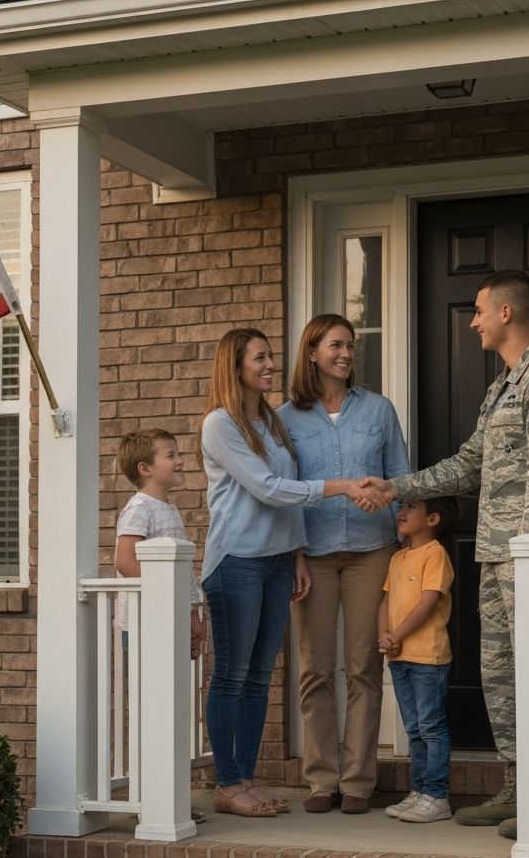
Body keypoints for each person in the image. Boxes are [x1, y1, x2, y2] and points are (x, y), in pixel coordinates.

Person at [359, 270, 529, 839]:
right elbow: (468, 465)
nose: (473, 321)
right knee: (502, 674)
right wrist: (398, 488)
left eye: (480, 310)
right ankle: (517, 787)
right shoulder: (500, 388)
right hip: (494, 553)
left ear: (506, 313)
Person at [197, 328, 367, 818]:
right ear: (236, 367)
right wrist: (338, 487)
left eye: (272, 356)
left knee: (258, 679)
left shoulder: (269, 419)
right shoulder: (220, 424)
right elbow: (268, 488)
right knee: (231, 674)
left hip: (275, 562)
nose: (271, 364)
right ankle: (228, 783)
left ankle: (244, 779)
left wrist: (296, 553)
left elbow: (285, 489)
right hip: (237, 562)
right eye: (260, 357)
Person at [278, 314, 411, 815]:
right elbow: (286, 493)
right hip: (311, 554)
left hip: (370, 551)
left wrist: (394, 519)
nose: (346, 353)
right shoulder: (286, 419)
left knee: (363, 667)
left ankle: (357, 781)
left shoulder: (378, 410)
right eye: (336, 345)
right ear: (311, 352)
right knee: (314, 669)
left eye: (351, 346)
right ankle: (321, 779)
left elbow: (399, 476)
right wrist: (294, 556)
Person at [379, 496, 460, 824]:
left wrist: (397, 635)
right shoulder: (398, 558)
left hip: (428, 656)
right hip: (399, 657)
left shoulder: (435, 554)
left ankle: (437, 796)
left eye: (412, 507)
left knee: (431, 726)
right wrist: (383, 634)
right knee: (413, 728)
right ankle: (419, 790)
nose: (402, 512)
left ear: (433, 520)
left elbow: (428, 603)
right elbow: (385, 600)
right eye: (402, 506)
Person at [114, 427, 205, 658]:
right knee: (153, 690)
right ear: (145, 469)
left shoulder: (168, 510)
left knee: (172, 689)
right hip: (145, 622)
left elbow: (184, 573)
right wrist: (167, 595)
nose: (180, 461)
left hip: (172, 617)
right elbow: (125, 562)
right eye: (171, 456)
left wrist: (192, 614)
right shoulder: (139, 508)